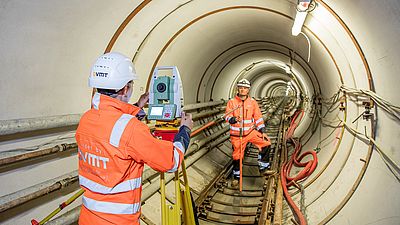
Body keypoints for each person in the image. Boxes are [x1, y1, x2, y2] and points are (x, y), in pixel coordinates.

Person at [76, 52, 193, 225]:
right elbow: (171, 161)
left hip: (88, 217)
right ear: (125, 88)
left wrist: (136, 107)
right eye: (130, 84)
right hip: (119, 220)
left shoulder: (86, 119)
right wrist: (185, 130)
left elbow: (112, 125)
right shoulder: (130, 128)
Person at [225, 78, 271, 186]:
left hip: (250, 133)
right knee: (237, 156)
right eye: (241, 87)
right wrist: (232, 119)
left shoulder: (252, 102)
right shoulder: (232, 102)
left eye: (245, 88)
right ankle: (236, 177)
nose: (243, 90)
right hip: (237, 135)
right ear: (238, 89)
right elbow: (227, 115)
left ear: (248, 90)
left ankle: (263, 168)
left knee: (266, 143)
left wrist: (262, 130)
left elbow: (258, 117)